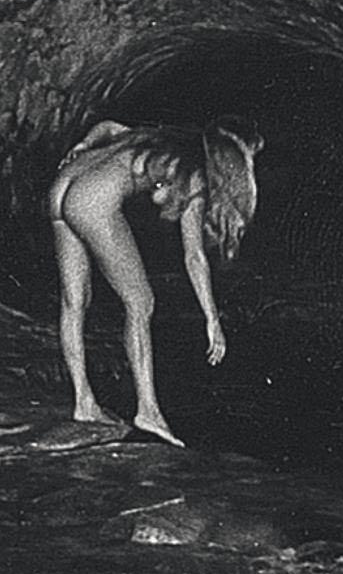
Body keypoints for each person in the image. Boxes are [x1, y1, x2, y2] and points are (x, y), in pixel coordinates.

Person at [46, 119, 261, 445]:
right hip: (89, 200)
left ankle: (83, 403)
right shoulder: (195, 177)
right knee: (141, 302)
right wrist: (212, 317)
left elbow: (106, 127)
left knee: (74, 301)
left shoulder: (152, 138)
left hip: (61, 187)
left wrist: (82, 145)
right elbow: (194, 257)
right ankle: (148, 411)